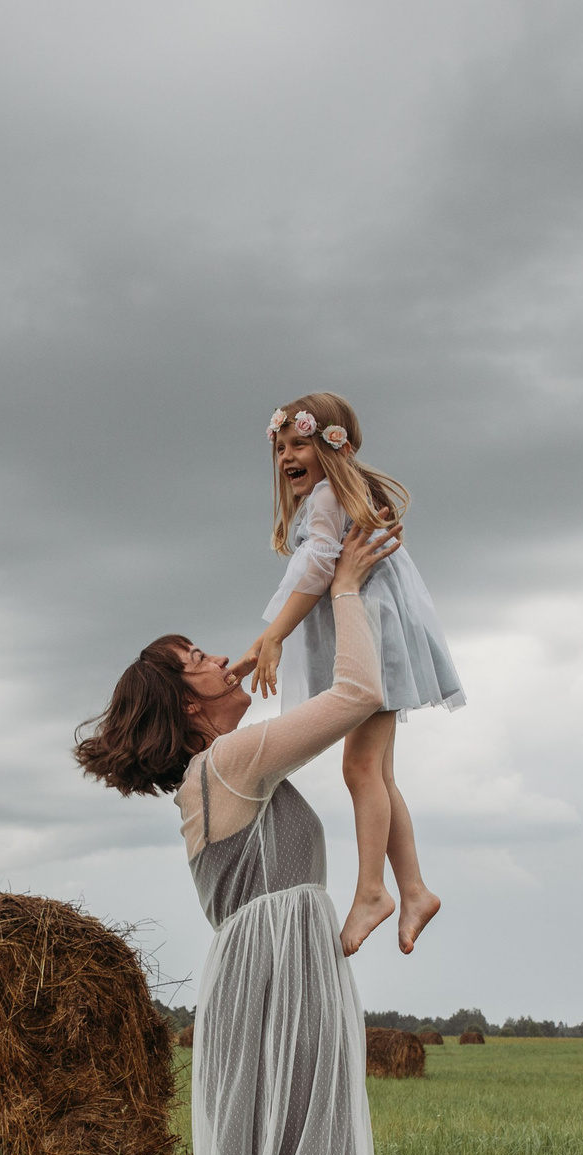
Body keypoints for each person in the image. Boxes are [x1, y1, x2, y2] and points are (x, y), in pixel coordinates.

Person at [74, 515, 450, 1155]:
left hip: (265, 971)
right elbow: (360, 691)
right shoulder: (230, 762)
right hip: (281, 974)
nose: (223, 659)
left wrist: (304, 615)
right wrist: (352, 584)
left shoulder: (215, 774)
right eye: (201, 656)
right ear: (186, 702)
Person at [243, 393, 464, 957]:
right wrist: (262, 643)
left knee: (361, 767)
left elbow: (318, 568)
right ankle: (412, 889)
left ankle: (373, 891)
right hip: (380, 635)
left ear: (332, 446)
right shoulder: (338, 496)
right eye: (281, 446)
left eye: (300, 443)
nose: (288, 455)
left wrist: (277, 636)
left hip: (372, 640)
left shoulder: (327, 496)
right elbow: (302, 580)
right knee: (379, 774)